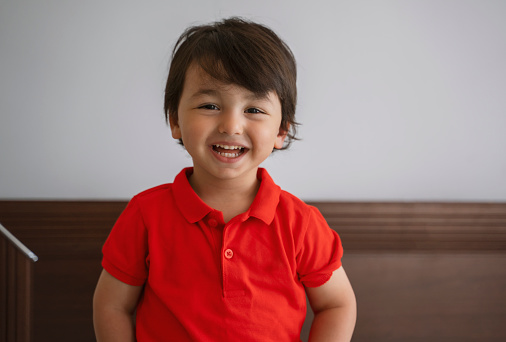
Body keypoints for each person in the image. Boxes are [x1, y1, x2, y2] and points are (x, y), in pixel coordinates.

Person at [93, 17, 356, 342]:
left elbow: (337, 304)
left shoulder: (301, 223)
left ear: (282, 130)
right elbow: (111, 305)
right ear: (175, 120)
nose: (231, 125)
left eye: (254, 110)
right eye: (209, 105)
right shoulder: (146, 214)